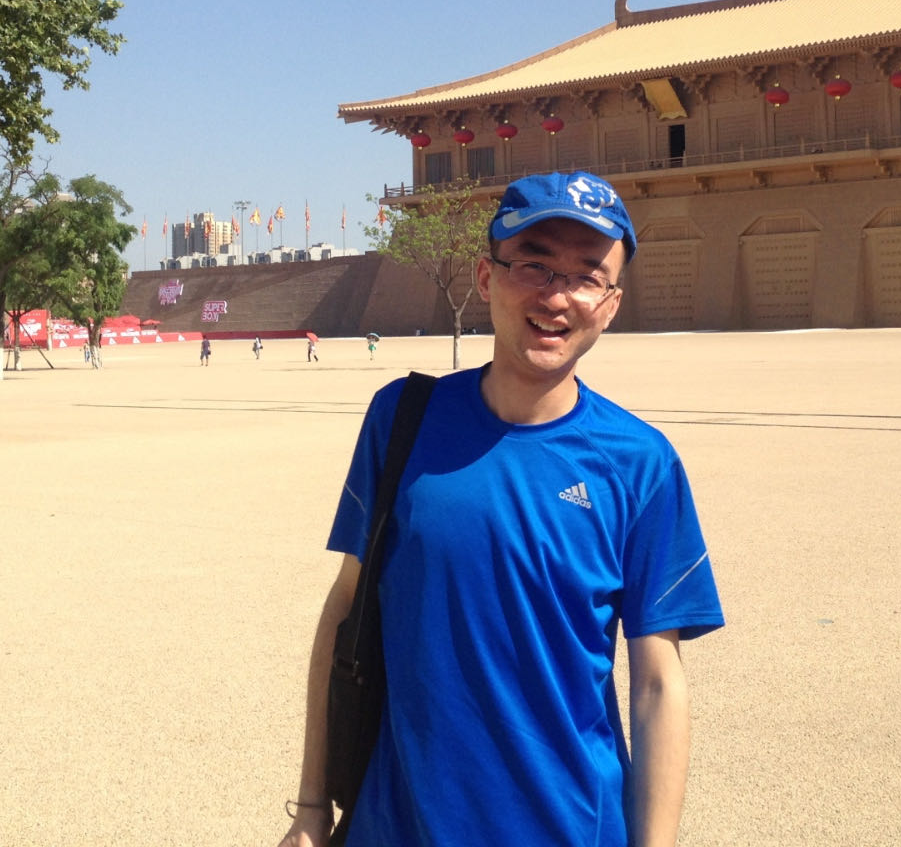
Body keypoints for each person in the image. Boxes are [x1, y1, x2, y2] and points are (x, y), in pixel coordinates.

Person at [277, 171, 723, 847]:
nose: (556, 296)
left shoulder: (639, 464)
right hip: (396, 828)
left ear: (610, 305)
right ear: (487, 278)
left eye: (587, 276)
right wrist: (312, 808)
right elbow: (346, 608)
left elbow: (658, 682)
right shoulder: (402, 421)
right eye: (534, 265)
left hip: (570, 826)